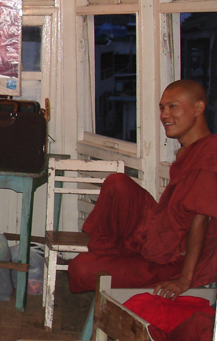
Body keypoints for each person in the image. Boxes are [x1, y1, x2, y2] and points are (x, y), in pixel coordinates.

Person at [69, 80, 217, 299]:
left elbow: (200, 218)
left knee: (81, 268)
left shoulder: (210, 152)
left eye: (173, 106)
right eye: (162, 108)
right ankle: (113, 253)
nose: (165, 115)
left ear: (198, 108)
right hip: (160, 234)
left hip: (176, 259)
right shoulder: (184, 153)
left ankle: (115, 258)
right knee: (117, 183)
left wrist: (184, 279)